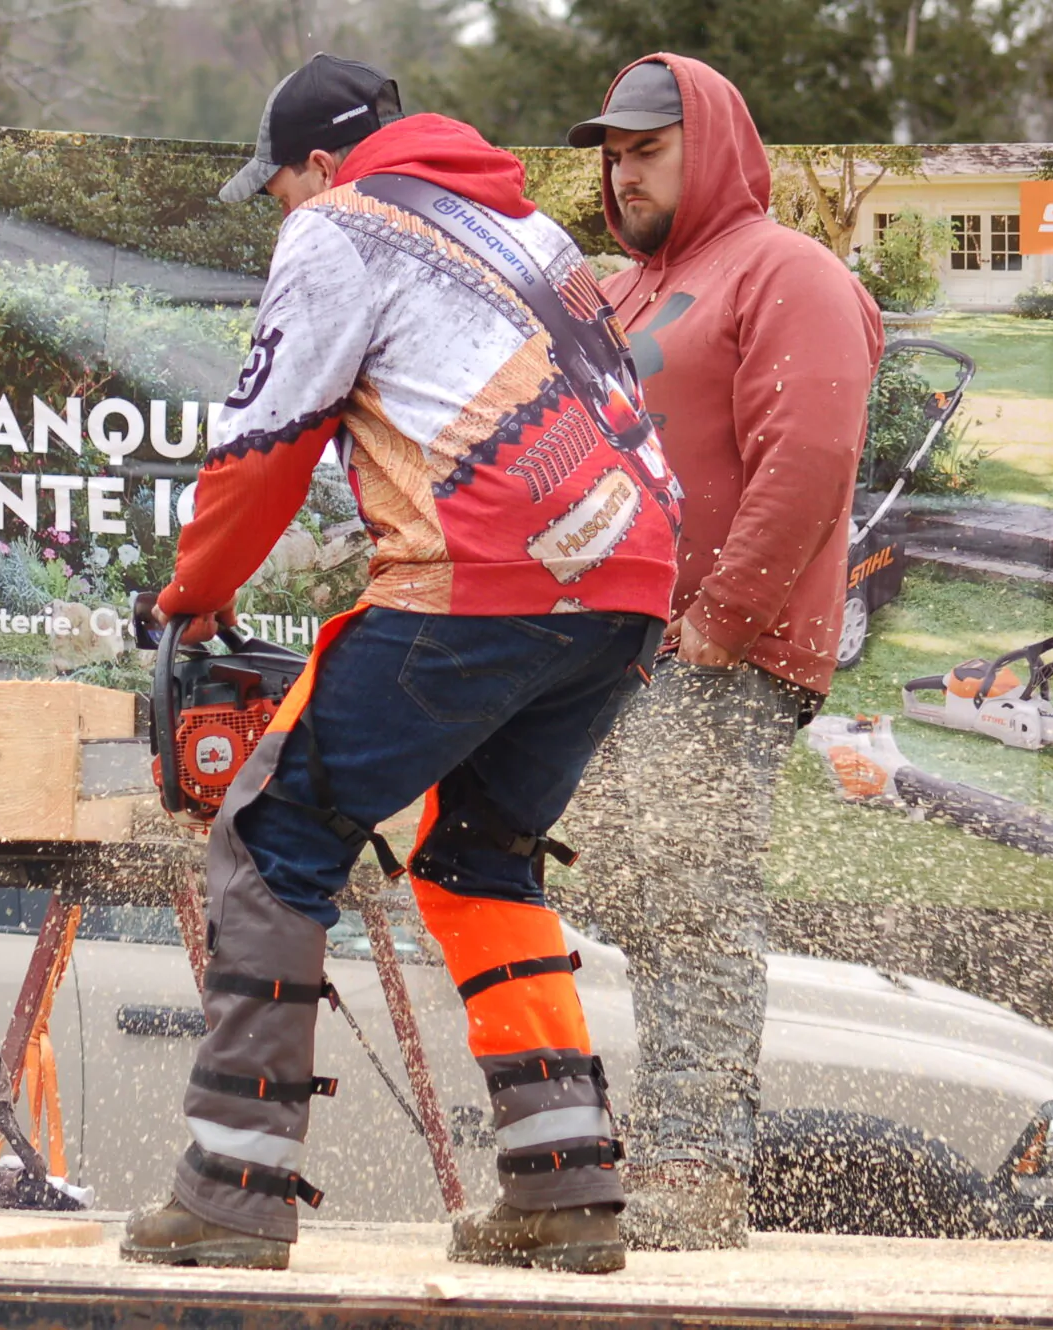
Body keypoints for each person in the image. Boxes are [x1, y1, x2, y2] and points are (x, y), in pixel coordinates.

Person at [119, 53, 681, 1275]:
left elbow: (269, 442)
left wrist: (192, 594)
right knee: (479, 859)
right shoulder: (526, 225)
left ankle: (230, 1191)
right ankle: (565, 1187)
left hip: (480, 576)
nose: (277, 208)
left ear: (320, 164)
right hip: (629, 586)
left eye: (274, 184)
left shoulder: (339, 225)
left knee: (273, 843)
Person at [557, 55, 882, 1249]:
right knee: (644, 900)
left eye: (645, 146)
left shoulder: (784, 269)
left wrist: (715, 623)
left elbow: (809, 458)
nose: (620, 168)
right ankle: (654, 1144)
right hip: (623, 655)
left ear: (711, 140)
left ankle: (696, 1164)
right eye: (610, 151)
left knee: (693, 899)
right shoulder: (637, 289)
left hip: (714, 657)